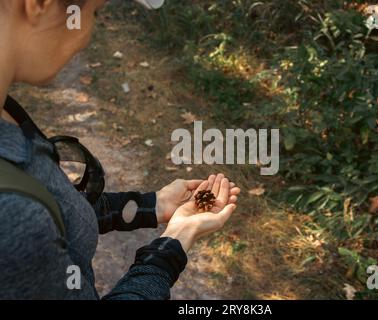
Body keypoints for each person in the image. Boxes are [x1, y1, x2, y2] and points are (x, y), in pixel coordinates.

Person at [0, 0, 240, 300]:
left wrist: (146, 206)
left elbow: (56, 218)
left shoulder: (6, 112)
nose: (87, 33)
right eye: (94, 12)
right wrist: (173, 245)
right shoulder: (10, 217)